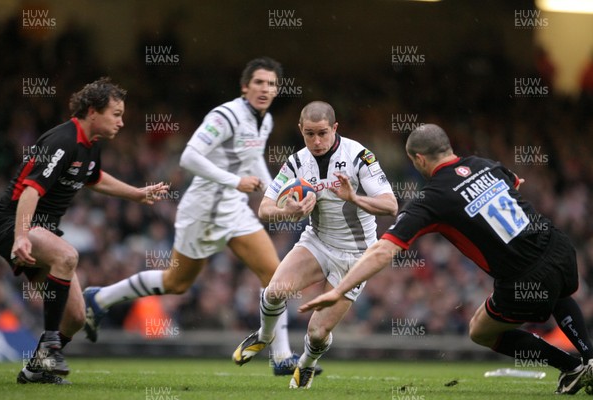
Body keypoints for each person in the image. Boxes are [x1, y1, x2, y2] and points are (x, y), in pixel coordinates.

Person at [299, 124, 593, 395]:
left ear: (419, 160)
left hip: (525, 275)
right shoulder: (484, 164)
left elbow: (383, 250)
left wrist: (338, 290)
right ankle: (589, 359)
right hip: (559, 247)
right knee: (559, 292)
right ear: (448, 147)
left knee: (480, 331)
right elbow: (515, 184)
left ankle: (570, 366)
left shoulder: (432, 198)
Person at [83, 57, 303, 375]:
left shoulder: (264, 121)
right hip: (202, 209)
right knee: (177, 283)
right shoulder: (225, 115)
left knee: (275, 275)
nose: (264, 88)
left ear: (277, 90)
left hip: (233, 208)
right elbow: (188, 157)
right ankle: (100, 298)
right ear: (245, 87)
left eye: (271, 84)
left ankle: (281, 357)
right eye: (258, 82)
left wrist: (279, 198)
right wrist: (234, 181)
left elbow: (254, 162)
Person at [0, 77, 169, 384]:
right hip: (12, 222)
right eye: (116, 114)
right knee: (67, 255)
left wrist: (137, 194)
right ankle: (49, 347)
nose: (122, 122)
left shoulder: (90, 146)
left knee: (75, 316)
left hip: (39, 229)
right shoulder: (62, 141)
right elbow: (30, 193)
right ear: (92, 112)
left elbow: (95, 178)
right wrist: (21, 236)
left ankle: (35, 369)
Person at [232, 101, 398, 389]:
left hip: (357, 256)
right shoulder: (297, 162)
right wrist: (289, 212)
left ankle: (307, 364)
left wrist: (354, 198)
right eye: (309, 134)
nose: (317, 141)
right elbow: (265, 209)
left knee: (318, 332)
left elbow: (390, 205)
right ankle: (265, 335)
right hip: (317, 242)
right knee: (274, 292)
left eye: (323, 133)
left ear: (335, 128)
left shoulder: (359, 156)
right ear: (301, 130)